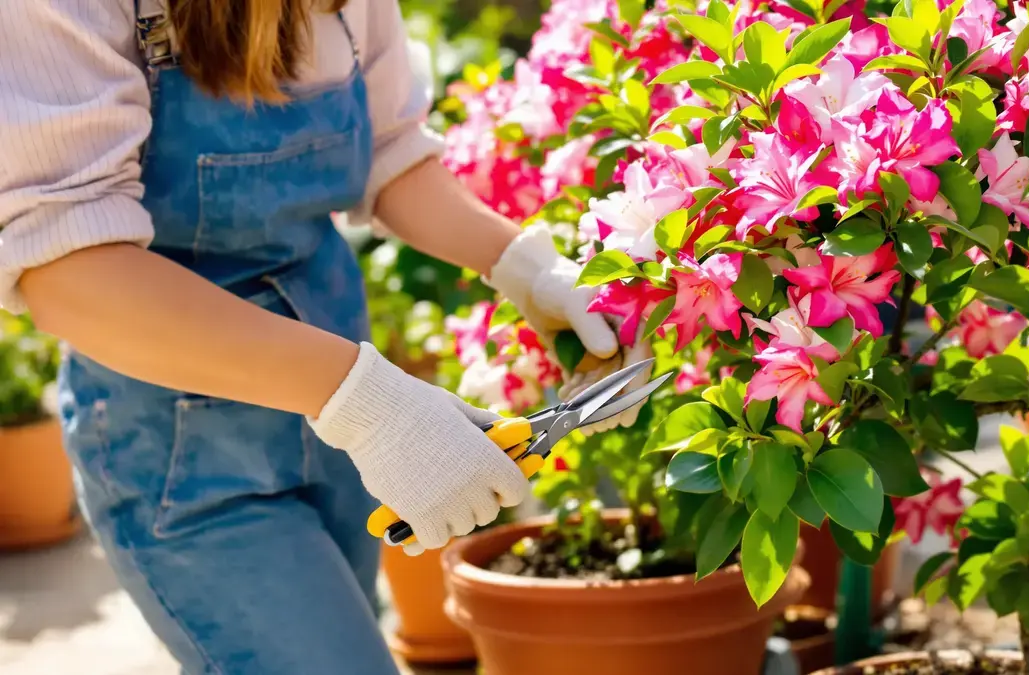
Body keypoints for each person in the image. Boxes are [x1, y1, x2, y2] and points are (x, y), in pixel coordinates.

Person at [0, 1, 646, 672]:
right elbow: (68, 272)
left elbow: (389, 152)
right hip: (183, 458)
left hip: (337, 429)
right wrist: (369, 404)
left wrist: (526, 266)